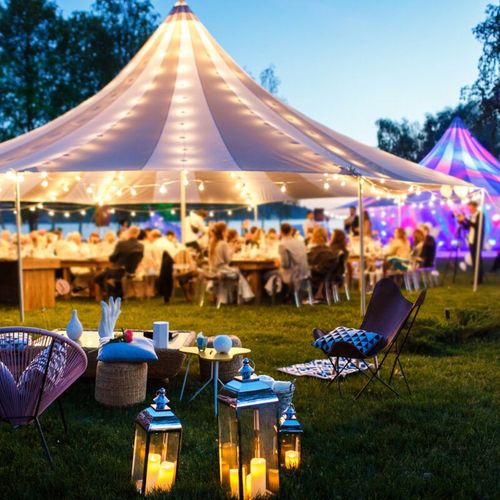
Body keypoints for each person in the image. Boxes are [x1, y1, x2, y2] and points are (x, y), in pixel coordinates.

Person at [208, 222, 254, 303]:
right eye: (226, 230)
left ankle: (242, 296)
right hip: (222, 270)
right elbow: (228, 260)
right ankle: (246, 296)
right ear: (223, 232)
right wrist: (233, 249)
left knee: (238, 271)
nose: (227, 232)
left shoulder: (213, 242)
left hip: (213, 270)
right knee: (238, 271)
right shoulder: (223, 243)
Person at [95, 226, 144, 297]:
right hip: (131, 271)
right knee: (112, 276)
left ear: (128, 233)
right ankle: (116, 292)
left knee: (97, 278)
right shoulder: (141, 246)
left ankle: (111, 292)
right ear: (138, 234)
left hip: (117, 270)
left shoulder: (121, 244)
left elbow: (112, 258)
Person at [457, 200, 484, 283]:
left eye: (471, 207)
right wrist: (462, 221)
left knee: (477, 259)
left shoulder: (480, 215)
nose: (470, 209)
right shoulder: (472, 216)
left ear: (475, 207)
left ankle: (479, 278)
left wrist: (465, 219)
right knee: (474, 259)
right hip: (471, 240)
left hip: (477, 240)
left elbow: (477, 226)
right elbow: (469, 227)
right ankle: (476, 277)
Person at [277, 223, 310, 289]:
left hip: (293, 275)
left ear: (281, 232)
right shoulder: (300, 243)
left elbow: (285, 264)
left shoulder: (282, 244)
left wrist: (278, 263)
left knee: (266, 275)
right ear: (291, 231)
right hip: (305, 273)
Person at [307, 227, 336, 299]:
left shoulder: (312, 250)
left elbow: (307, 263)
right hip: (326, 275)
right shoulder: (329, 250)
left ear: (314, 236)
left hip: (315, 275)